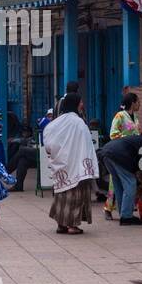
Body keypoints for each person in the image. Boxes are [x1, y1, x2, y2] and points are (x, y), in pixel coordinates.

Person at [42, 92, 97, 235]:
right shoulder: (79, 122)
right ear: (75, 104)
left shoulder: (55, 123)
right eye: (80, 102)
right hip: (77, 166)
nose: (82, 104)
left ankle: (61, 224)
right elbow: (86, 145)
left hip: (61, 165)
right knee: (76, 196)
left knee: (62, 195)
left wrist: (58, 155)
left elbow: (48, 142)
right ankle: (72, 225)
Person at [100, 130, 142, 226]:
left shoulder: (137, 139)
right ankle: (126, 216)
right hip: (118, 155)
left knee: (118, 184)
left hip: (106, 152)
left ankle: (123, 213)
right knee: (130, 183)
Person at [105, 92, 142, 219]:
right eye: (138, 101)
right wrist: (128, 138)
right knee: (115, 184)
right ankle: (109, 208)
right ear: (133, 103)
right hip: (118, 153)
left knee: (125, 183)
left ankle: (124, 210)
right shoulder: (119, 116)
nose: (140, 104)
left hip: (130, 155)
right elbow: (113, 134)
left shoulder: (135, 116)